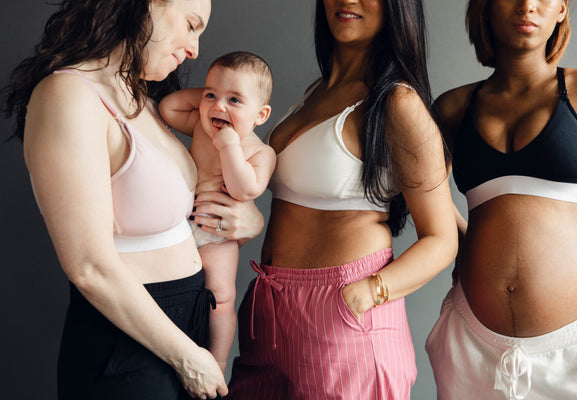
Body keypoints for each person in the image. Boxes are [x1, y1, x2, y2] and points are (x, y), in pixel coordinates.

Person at [1, 0, 264, 398]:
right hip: (132, 344)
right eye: (191, 25)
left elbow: (179, 210)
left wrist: (251, 221)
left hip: (184, 326)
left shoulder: (139, 97)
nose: (195, 49)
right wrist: (187, 358)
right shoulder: (68, 96)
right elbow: (89, 266)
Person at [224, 0, 458, 399]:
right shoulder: (317, 91)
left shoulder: (398, 103)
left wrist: (369, 292)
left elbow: (442, 238)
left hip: (342, 313)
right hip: (270, 312)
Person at [426, 0, 577, 399]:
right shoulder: (452, 109)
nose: (527, 6)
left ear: (561, 9)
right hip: (473, 346)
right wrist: (467, 242)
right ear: (485, 8)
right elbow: (421, 199)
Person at [159, 51, 276, 373]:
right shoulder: (201, 124)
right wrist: (215, 98)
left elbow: (245, 189)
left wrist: (229, 146)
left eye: (235, 100)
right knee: (173, 288)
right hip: (180, 224)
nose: (219, 106)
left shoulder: (260, 152)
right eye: (211, 94)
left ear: (260, 114)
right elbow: (168, 107)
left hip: (218, 235)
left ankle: (218, 359)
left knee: (220, 298)